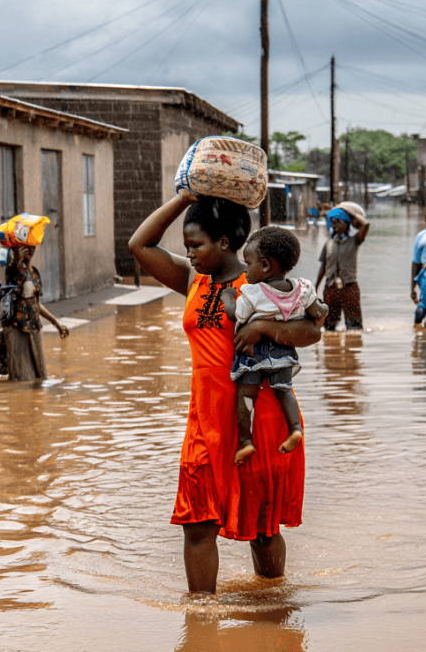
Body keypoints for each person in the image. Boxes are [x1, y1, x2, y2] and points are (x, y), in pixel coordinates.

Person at [128, 190, 324, 594]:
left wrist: (264, 327)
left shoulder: (261, 283)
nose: (190, 253)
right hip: (204, 421)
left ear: (223, 243)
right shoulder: (193, 279)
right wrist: (184, 199)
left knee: (263, 528)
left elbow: (312, 331)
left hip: (258, 418)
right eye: (186, 246)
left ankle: (274, 609)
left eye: (196, 244)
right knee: (196, 522)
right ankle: (201, 617)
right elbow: (139, 245)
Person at [220, 226, 326, 466]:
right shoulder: (302, 289)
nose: (246, 269)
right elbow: (318, 312)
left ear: (266, 265)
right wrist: (323, 309)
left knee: (246, 395)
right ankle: (295, 428)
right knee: (284, 390)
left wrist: (227, 298)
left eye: (249, 263)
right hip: (283, 353)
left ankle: (246, 441)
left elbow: (235, 315)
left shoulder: (252, 293)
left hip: (253, 354)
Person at [2, 244, 69, 380]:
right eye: (25, 247)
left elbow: (36, 304)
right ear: (17, 249)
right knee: (21, 378)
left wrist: (56, 323)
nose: (30, 250)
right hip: (16, 329)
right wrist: (16, 261)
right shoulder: (12, 270)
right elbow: (10, 289)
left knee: (40, 376)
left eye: (32, 247)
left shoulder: (34, 273)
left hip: (33, 328)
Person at [315, 205, 370, 331]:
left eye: (338, 222)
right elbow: (323, 266)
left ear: (346, 224)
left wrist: (349, 212)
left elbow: (365, 225)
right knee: (329, 327)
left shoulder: (354, 241)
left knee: (355, 327)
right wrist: (316, 286)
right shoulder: (329, 244)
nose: (334, 225)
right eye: (333, 223)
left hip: (349, 287)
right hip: (331, 289)